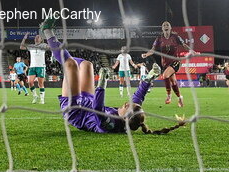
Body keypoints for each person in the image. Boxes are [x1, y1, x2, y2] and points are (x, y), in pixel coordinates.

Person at [42, 22, 185, 135]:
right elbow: (138, 97)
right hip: (88, 102)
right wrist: (149, 78)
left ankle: (47, 31)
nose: (127, 104)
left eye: (128, 107)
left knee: (70, 65)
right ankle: (60, 55)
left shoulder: (111, 125)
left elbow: (97, 109)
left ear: (125, 118)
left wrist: (102, 84)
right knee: (87, 64)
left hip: (75, 111)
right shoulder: (128, 114)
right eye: (131, 104)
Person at [142, 21, 191, 107]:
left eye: (167, 25)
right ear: (162, 28)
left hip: (176, 61)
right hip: (165, 64)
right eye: (164, 25)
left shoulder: (175, 37)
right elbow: (153, 50)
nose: (166, 26)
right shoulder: (159, 38)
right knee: (173, 82)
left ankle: (169, 95)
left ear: (170, 28)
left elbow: (184, 45)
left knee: (165, 76)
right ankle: (180, 98)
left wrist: (191, 51)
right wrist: (146, 54)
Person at [20, 33, 49, 104]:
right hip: (32, 66)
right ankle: (35, 96)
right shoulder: (31, 46)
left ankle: (42, 99)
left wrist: (49, 37)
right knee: (30, 82)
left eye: (38, 37)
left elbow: (50, 46)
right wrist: (24, 38)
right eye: (36, 37)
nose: (37, 37)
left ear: (41, 39)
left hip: (41, 66)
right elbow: (21, 47)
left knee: (40, 83)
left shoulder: (44, 45)